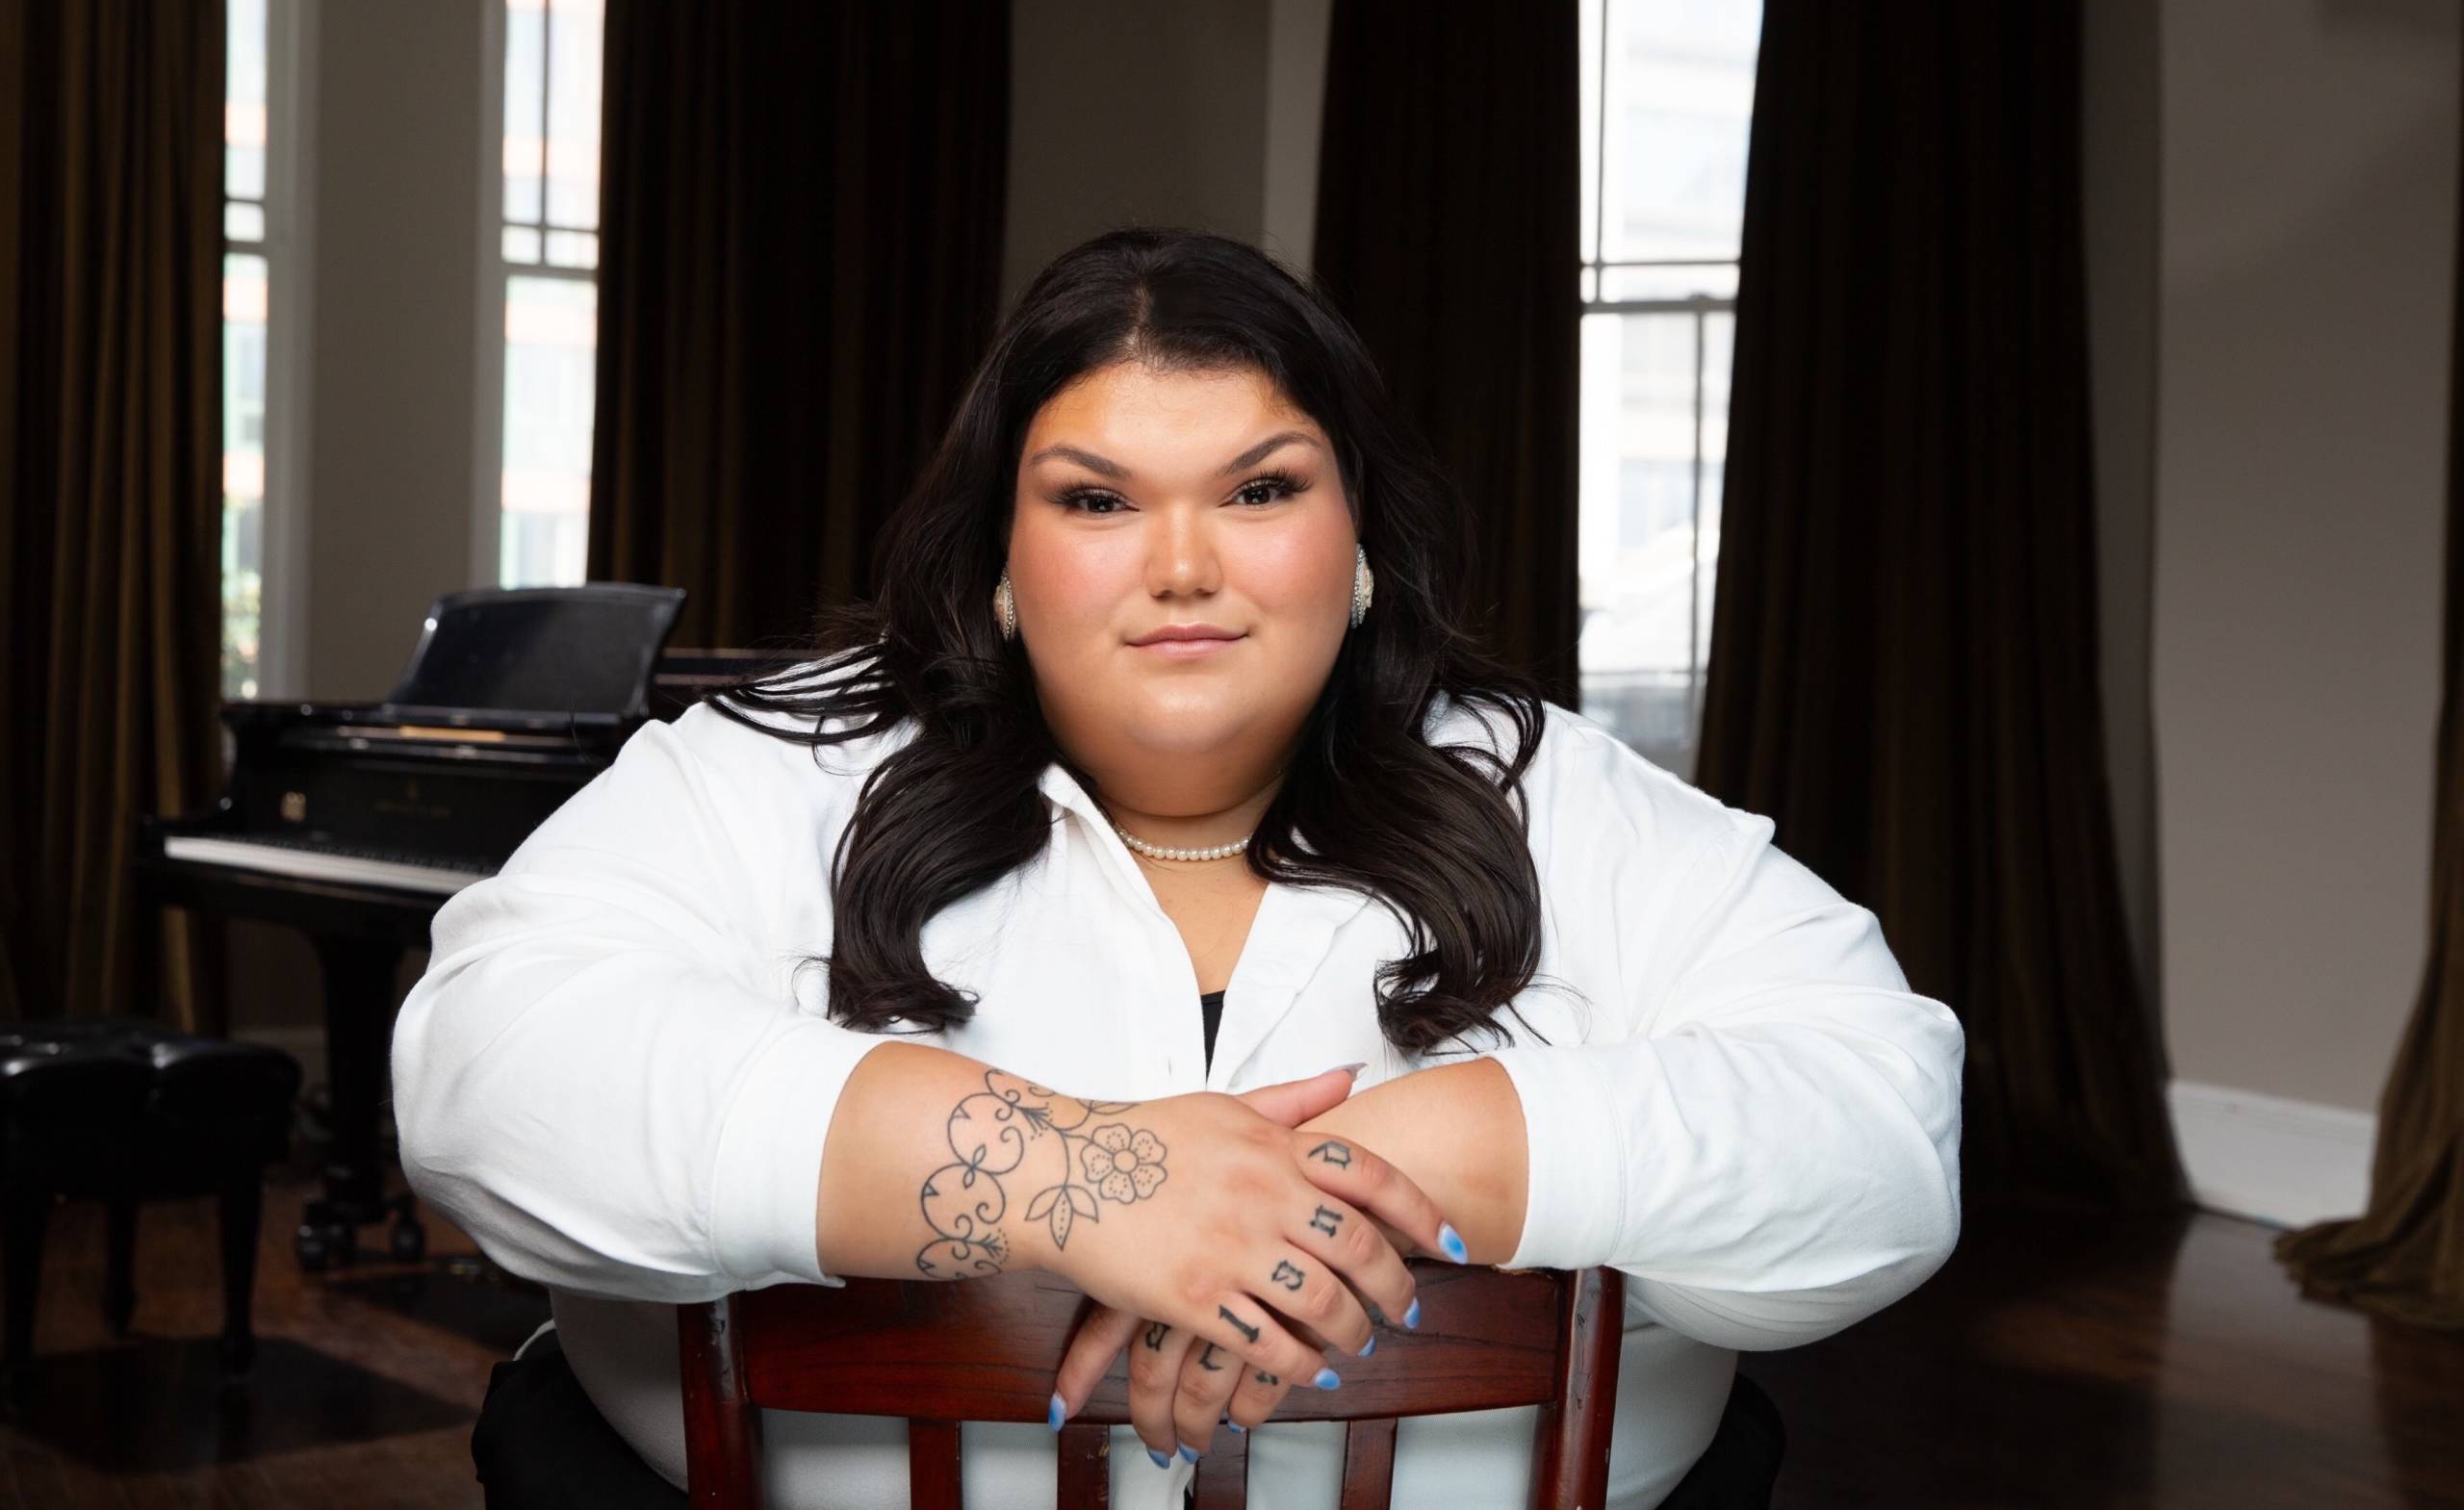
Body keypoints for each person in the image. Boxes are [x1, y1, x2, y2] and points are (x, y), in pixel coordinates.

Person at [393, 226, 1965, 1510]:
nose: (1185, 567)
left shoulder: (1555, 789)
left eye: (1262, 490)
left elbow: (1884, 1134)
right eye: (1095, 501)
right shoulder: (778, 768)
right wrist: (1078, 1180)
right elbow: (483, 1073)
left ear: (1357, 549)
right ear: (1001, 561)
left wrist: (1407, 1162)